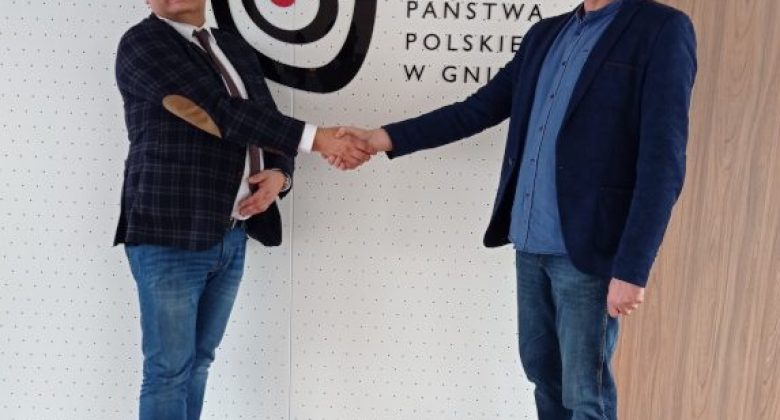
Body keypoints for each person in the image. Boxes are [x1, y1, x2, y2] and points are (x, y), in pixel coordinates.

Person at [336, 0, 697, 418]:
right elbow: (476, 110)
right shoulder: (545, 35)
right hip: (528, 243)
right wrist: (381, 138)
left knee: (586, 395)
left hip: (588, 253)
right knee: (544, 378)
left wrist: (633, 269)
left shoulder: (662, 29)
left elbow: (663, 163)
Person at [113, 0, 371, 418]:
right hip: (169, 234)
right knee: (168, 372)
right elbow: (218, 114)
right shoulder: (143, 43)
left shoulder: (231, 47)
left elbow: (265, 119)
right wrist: (319, 139)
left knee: (199, 363)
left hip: (230, 234)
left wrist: (280, 175)